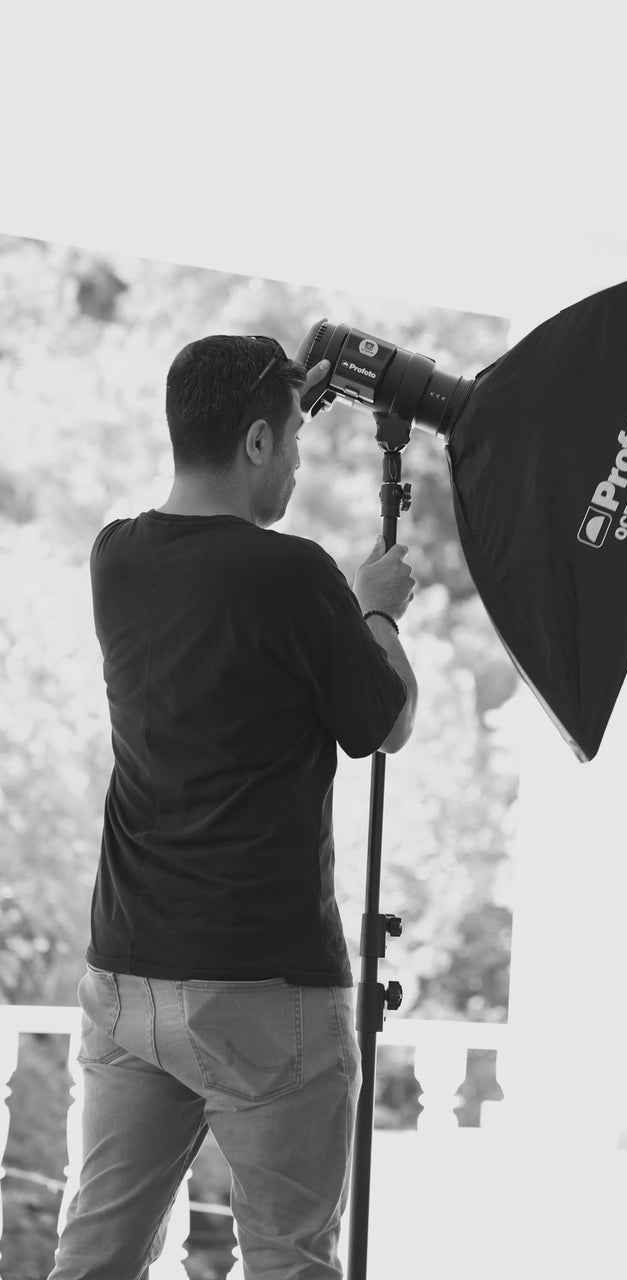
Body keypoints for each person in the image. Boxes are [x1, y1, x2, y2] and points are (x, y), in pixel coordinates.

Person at [49, 334, 418, 1280]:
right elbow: (384, 724)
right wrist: (376, 610)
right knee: (290, 1261)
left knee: (93, 1259)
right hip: (265, 990)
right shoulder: (297, 577)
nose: (296, 461)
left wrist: (281, 387)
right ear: (256, 442)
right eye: (290, 439)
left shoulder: (115, 557)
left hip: (129, 979)